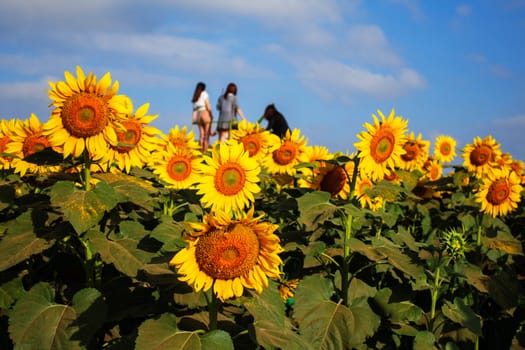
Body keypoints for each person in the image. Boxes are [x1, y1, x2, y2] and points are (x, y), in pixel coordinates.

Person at [191, 82, 215, 152]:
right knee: (207, 134)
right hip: (205, 113)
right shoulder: (204, 94)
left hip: (198, 114)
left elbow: (194, 109)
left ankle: (200, 150)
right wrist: (211, 114)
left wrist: (193, 118)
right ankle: (205, 150)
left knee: (201, 134)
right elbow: (207, 105)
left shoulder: (196, 95)